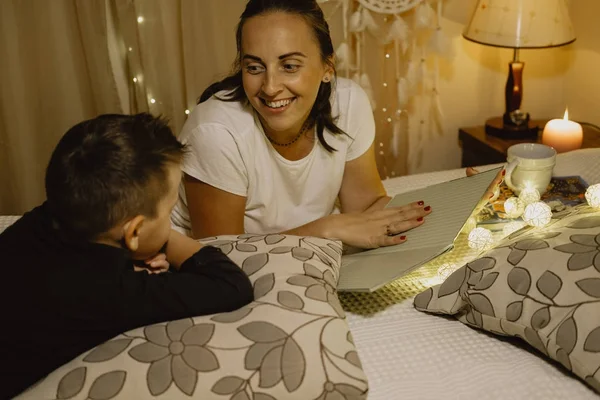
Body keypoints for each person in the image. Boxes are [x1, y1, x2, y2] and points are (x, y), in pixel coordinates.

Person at [0, 114, 254, 399]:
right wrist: (165, 240)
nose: (170, 223)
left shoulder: (43, 220)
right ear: (133, 231)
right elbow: (232, 285)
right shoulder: (113, 293)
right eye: (169, 211)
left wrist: (137, 248)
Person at [171, 0, 432, 249]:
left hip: (305, 258)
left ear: (327, 67)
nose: (270, 87)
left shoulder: (348, 102)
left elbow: (365, 209)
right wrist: (325, 229)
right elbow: (223, 260)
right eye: (254, 68)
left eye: (289, 66)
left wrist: (460, 204)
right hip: (209, 277)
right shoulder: (214, 132)